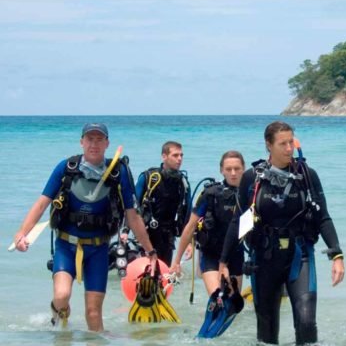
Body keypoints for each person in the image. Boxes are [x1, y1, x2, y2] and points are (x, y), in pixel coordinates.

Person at [12, 123, 158, 331]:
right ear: (82, 142)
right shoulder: (66, 168)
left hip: (98, 249)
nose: (94, 144)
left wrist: (150, 251)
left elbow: (132, 217)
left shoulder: (119, 173)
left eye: (99, 139)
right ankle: (59, 320)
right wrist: (22, 233)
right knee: (62, 296)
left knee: (93, 313)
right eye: (90, 139)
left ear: (107, 144)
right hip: (66, 246)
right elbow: (43, 202)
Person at [219, 121, 345, 346]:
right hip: (264, 258)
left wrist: (337, 255)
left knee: (307, 325)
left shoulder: (307, 175)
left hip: (300, 255)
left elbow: (322, 217)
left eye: (291, 142)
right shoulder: (252, 179)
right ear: (268, 145)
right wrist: (224, 261)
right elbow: (240, 223)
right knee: (266, 331)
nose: (289, 149)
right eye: (283, 144)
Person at [170, 150, 246, 295]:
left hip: (235, 253)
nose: (233, 173)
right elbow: (190, 227)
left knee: (232, 304)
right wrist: (176, 261)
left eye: (237, 169)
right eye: (228, 169)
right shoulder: (211, 194)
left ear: (244, 169)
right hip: (211, 252)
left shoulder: (249, 194)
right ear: (221, 171)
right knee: (218, 298)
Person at [123, 141, 191, 267]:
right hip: (146, 235)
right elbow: (132, 206)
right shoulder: (149, 177)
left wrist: (190, 242)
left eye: (181, 155)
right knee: (144, 278)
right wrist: (125, 231)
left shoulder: (182, 182)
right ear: (164, 156)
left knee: (163, 279)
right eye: (175, 155)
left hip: (168, 238)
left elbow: (189, 214)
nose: (179, 159)